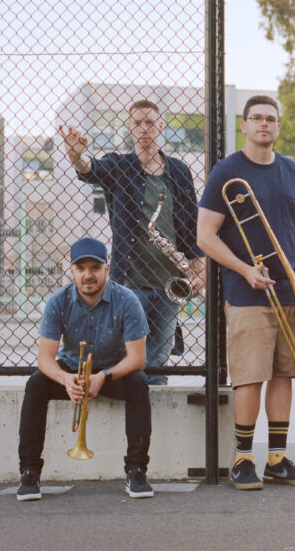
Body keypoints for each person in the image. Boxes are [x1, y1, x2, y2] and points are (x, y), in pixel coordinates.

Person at [196, 94, 295, 490]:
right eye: (256, 118)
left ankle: (277, 459)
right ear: (245, 125)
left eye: (271, 119)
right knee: (250, 377)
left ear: (278, 126)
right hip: (247, 292)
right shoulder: (227, 171)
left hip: (291, 292)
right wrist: (243, 269)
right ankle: (242, 460)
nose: (264, 125)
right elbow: (206, 236)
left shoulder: (291, 170)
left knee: (285, 374)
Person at [60, 99, 204, 385]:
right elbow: (91, 169)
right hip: (131, 285)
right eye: (137, 122)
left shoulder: (179, 171)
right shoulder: (119, 166)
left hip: (170, 284)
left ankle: (152, 425)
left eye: (150, 121)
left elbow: (190, 223)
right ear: (129, 127)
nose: (144, 128)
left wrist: (199, 266)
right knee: (127, 362)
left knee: (158, 367)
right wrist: (76, 156)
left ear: (161, 125)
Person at [15, 237, 153, 501]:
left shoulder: (127, 300)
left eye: (95, 268)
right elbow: (45, 358)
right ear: (72, 271)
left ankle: (136, 470)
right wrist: (66, 379)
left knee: (138, 383)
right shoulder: (59, 301)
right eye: (81, 268)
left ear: (107, 269)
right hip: (72, 371)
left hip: (112, 371)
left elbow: (137, 358)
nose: (88, 275)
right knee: (36, 384)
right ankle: (29, 472)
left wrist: (104, 376)